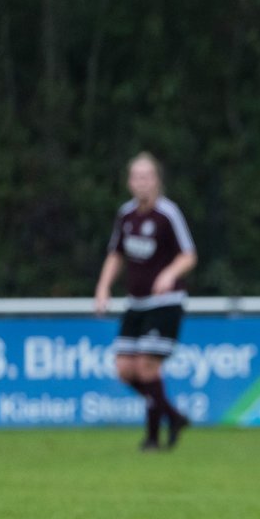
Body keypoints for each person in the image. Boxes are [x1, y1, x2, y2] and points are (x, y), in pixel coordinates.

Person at [93, 152, 197, 451]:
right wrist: (103, 288)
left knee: (147, 368)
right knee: (125, 370)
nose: (141, 182)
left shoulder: (168, 214)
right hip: (135, 303)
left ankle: (152, 438)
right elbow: (116, 255)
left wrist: (169, 273)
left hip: (165, 303)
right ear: (129, 182)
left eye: (147, 176)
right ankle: (173, 417)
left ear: (156, 180)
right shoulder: (125, 215)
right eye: (136, 177)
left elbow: (189, 255)